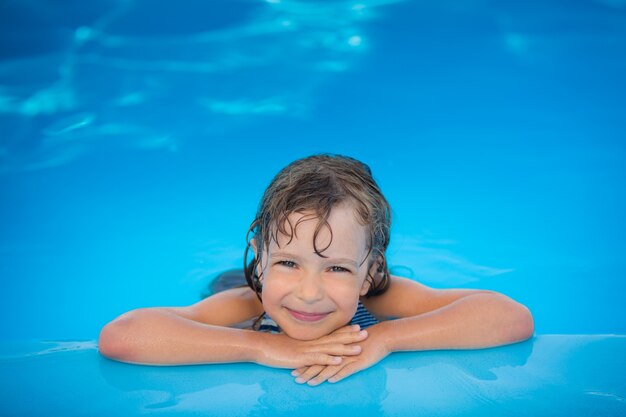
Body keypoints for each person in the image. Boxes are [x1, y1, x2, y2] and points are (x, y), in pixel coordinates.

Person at [98, 153, 534, 386]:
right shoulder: (248, 302)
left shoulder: (380, 296)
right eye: (288, 262)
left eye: (338, 269)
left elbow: (510, 317)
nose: (309, 293)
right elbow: (124, 336)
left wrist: (386, 338)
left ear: (369, 273)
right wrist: (263, 348)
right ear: (260, 256)